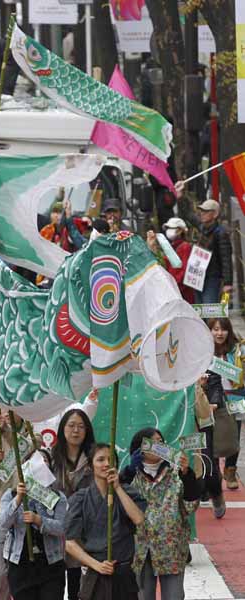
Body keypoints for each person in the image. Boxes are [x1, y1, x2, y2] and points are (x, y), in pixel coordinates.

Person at [120, 428, 201, 600]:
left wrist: (187, 475)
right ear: (140, 448)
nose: (159, 446)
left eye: (161, 442)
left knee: (174, 596)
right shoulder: (131, 476)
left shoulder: (176, 474)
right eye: (152, 442)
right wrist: (128, 472)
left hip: (171, 549)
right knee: (142, 596)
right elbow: (119, 504)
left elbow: (190, 506)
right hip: (140, 549)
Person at [65, 443, 145, 600]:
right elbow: (70, 543)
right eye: (100, 459)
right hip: (95, 573)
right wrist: (97, 565)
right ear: (91, 465)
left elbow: (139, 519)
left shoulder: (127, 492)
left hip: (123, 572)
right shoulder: (80, 498)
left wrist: (117, 488)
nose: (106, 464)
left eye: (110, 460)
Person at [0, 449, 67, 600]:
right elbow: (3, 523)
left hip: (51, 563)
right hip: (20, 563)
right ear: (25, 466)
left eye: (44, 460)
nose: (40, 464)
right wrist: (18, 499)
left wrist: (39, 520)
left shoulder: (58, 497)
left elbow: (62, 528)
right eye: (35, 460)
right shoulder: (10, 495)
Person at [0, 411, 32, 600]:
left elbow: (28, 447)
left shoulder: (32, 433)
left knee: (23, 572)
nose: (6, 413)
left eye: (11, 408)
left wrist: (8, 432)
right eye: (1, 408)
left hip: (27, 512)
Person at [52, 407, 96, 600]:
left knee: (78, 589)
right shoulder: (50, 457)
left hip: (83, 532)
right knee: (53, 587)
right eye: (71, 425)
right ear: (62, 428)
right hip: (55, 531)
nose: (76, 431)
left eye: (81, 426)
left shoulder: (94, 458)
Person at [176, 181, 233, 303]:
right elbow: (189, 214)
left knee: (209, 309)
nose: (202, 213)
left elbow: (226, 259)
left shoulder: (221, 233)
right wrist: (180, 196)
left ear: (215, 214)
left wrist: (228, 283)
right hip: (197, 275)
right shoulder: (202, 227)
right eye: (201, 210)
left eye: (206, 211)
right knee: (200, 311)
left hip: (212, 277)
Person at [207, 318, 245, 491]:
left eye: (223, 330)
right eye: (215, 329)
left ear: (229, 331)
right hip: (211, 400)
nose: (219, 333)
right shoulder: (204, 350)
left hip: (235, 398)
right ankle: (213, 473)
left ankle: (230, 470)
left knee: (234, 435)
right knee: (212, 436)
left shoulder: (238, 350)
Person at [146, 217, 194, 303]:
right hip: (173, 290)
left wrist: (174, 285)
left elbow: (185, 271)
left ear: (180, 230)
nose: (168, 231)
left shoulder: (185, 247)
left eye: (171, 228)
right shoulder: (170, 248)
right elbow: (164, 265)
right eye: (167, 229)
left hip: (183, 291)